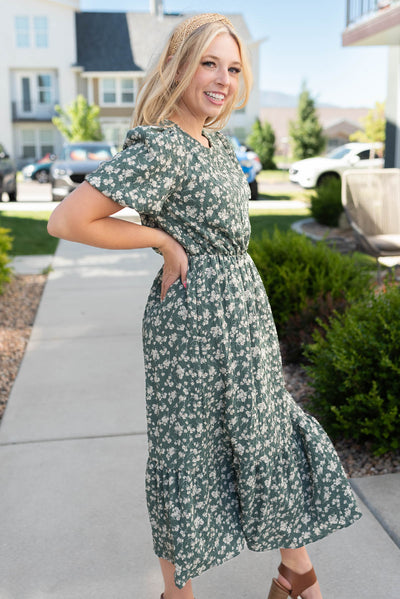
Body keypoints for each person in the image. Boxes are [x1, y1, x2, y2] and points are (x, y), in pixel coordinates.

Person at [47, 13, 362, 599]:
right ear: (178, 67)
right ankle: (185, 592)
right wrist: (161, 239)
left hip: (242, 314)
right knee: (187, 453)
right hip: (192, 325)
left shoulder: (214, 142)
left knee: (263, 436)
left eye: (234, 68)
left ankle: (296, 575)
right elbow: (67, 219)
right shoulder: (164, 143)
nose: (222, 78)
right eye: (209, 63)